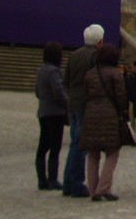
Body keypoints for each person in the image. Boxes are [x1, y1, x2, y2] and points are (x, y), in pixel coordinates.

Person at [80, 42, 127, 201]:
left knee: (93, 154)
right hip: (109, 114)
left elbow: (84, 95)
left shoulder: (90, 74)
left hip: (91, 114)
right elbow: (120, 97)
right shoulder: (115, 74)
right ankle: (103, 188)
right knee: (112, 152)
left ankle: (93, 190)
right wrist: (122, 112)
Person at [62, 23, 104, 197]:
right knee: (80, 146)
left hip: (73, 103)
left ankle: (67, 183)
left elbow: (66, 80)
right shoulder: (95, 57)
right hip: (86, 105)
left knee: (74, 143)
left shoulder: (75, 55)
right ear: (100, 41)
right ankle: (76, 184)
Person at [34, 41, 67, 190]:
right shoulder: (54, 71)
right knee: (55, 148)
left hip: (43, 112)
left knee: (42, 147)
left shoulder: (41, 70)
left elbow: (37, 92)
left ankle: (42, 180)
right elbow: (58, 92)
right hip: (55, 113)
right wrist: (68, 104)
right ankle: (52, 179)